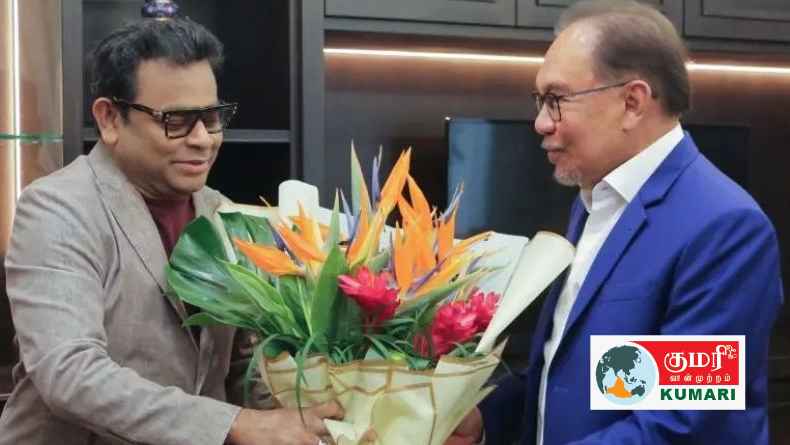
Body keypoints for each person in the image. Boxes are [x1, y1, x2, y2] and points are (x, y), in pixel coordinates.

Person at [450, 1, 783, 444]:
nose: (541, 122)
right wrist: (486, 419)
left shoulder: (726, 229)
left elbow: (685, 423)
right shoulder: (594, 203)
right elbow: (577, 373)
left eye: (556, 100)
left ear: (632, 102)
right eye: (540, 101)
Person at [0, 18, 342, 445]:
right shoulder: (57, 209)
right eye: (176, 120)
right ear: (110, 118)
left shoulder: (222, 214)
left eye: (211, 117)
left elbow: (242, 369)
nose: (203, 140)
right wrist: (234, 425)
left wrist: (316, 416)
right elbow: (70, 374)